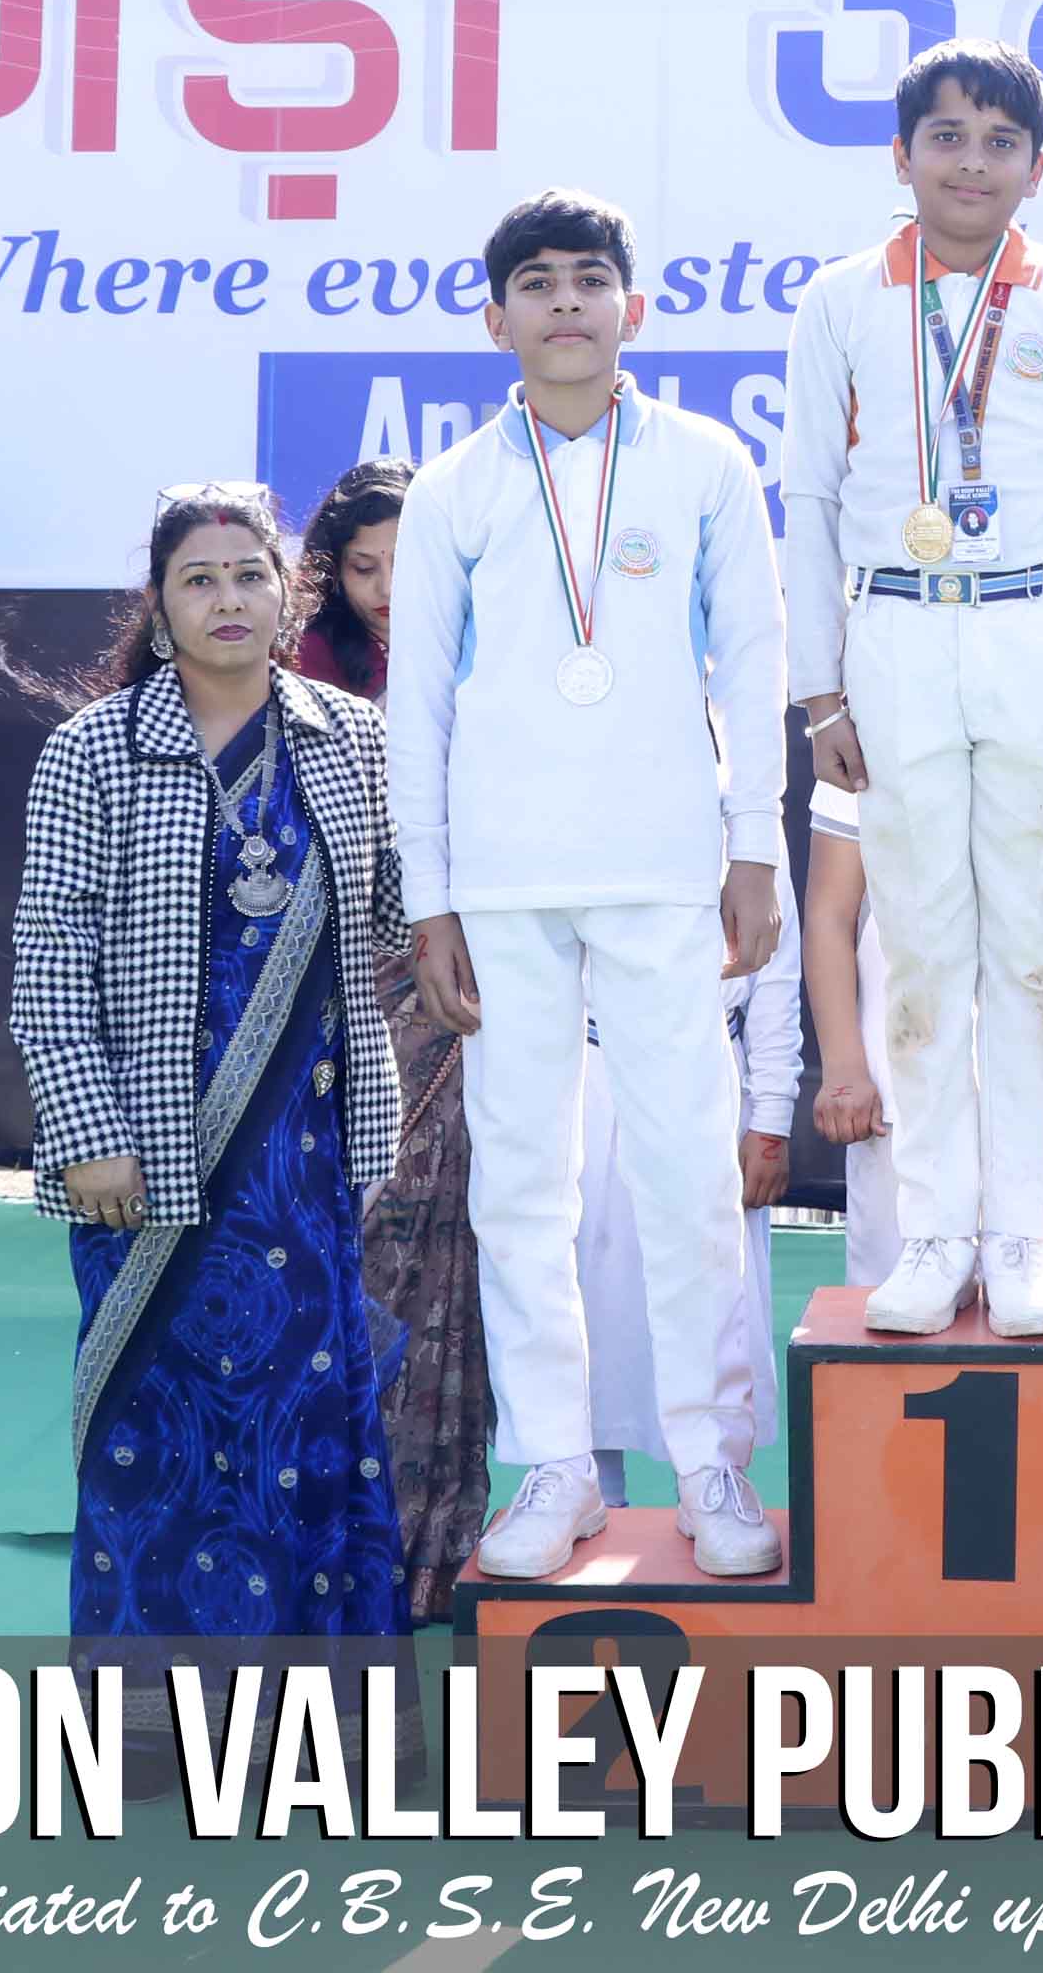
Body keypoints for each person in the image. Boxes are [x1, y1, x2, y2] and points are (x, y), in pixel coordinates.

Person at [390, 190, 790, 1584]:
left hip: (666, 866)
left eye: (590, 278)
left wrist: (755, 847)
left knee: (688, 1174)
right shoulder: (452, 489)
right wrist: (430, 896)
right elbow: (417, 703)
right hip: (503, 881)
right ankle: (553, 1462)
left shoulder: (706, 464)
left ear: (636, 306)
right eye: (538, 283)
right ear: (493, 319)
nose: (566, 302)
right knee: (520, 1182)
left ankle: (710, 1460)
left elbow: (753, 657)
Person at [781, 39, 1043, 1340]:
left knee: (1035, 946)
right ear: (901, 155)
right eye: (947, 137)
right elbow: (811, 499)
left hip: (1039, 627)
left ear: (1037, 168)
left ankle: (1022, 1233)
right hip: (893, 631)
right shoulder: (840, 301)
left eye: (1001, 142)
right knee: (924, 944)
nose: (972, 163)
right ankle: (936, 1230)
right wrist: (820, 693)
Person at [5, 484, 413, 1649]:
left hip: (307, 1159)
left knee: (306, 1437)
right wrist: (87, 1135)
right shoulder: (95, 749)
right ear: (158, 600)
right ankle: (146, 1715)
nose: (227, 599)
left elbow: (396, 917)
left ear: (290, 593)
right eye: (199, 579)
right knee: (155, 1440)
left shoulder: (353, 739)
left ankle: (314, 1712)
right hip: (145, 1163)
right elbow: (49, 957)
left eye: (249, 575)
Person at [298, 457, 497, 1627]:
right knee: (345, 1236)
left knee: (446, 1245)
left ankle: (429, 1541)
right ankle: (316, 1531)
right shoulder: (297, 682)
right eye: (362, 568)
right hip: (334, 997)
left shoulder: (492, 658)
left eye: (403, 565)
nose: (384, 591)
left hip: (463, 979)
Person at [810, 747, 1043, 1289]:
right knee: (893, 1315)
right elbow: (830, 913)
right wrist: (844, 1066)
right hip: (899, 1095)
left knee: (1042, 1320)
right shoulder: (871, 723)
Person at [580, 856, 798, 1504]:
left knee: (712, 1292)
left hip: (710, 1069)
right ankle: (597, 1494)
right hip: (593, 1072)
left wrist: (771, 1117)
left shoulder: (747, 828)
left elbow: (776, 979)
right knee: (596, 1302)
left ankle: (709, 1487)